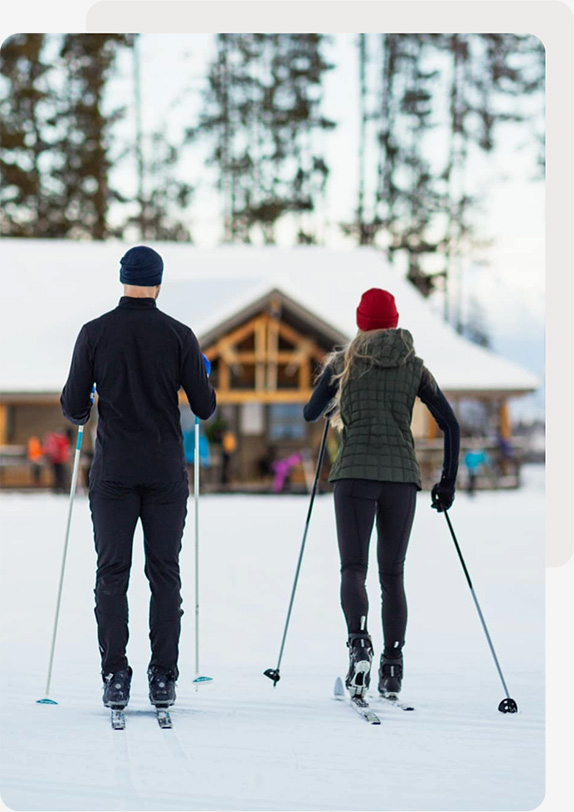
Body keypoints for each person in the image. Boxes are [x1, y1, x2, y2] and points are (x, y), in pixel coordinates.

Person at [61, 246, 216, 713]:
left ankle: (115, 675)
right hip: (165, 471)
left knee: (112, 573)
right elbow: (204, 406)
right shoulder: (179, 335)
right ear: (159, 283)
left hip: (114, 473)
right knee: (164, 573)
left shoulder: (94, 333)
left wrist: (92, 396)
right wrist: (199, 373)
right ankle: (163, 676)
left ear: (123, 279)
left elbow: (73, 407)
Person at [303, 288, 460, 700]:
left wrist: (334, 400)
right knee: (393, 574)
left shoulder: (343, 363)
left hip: (354, 474)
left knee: (353, 568)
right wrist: (447, 482)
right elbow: (450, 424)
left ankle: (359, 644)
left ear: (361, 321)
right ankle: (392, 666)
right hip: (401, 478)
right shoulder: (415, 366)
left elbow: (310, 412)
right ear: (394, 320)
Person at [42, 429, 70, 493]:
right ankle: (62, 487)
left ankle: (58, 486)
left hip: (54, 459)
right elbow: (64, 450)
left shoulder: (53, 439)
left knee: (57, 474)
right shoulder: (62, 440)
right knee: (61, 474)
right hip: (60, 459)